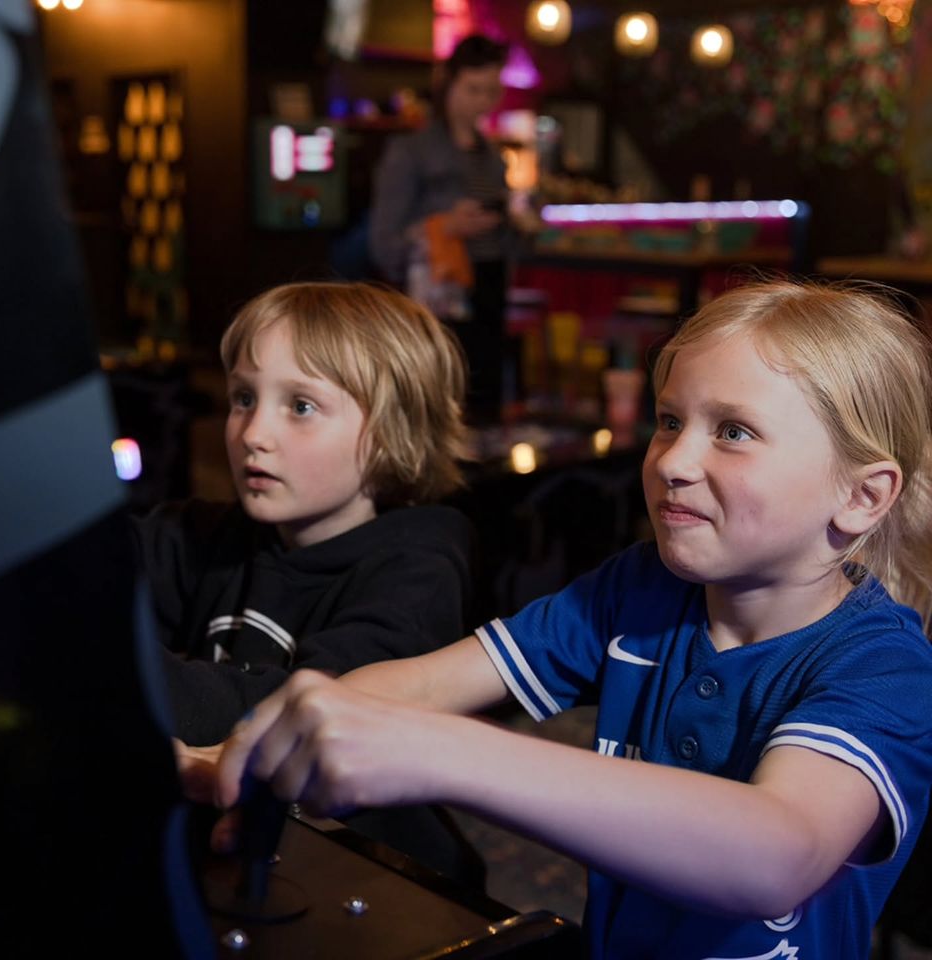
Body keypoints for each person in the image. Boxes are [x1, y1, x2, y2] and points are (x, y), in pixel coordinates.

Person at [212, 279, 932, 959]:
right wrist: (248, 747)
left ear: (863, 497)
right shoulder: (637, 589)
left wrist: (438, 753)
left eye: (734, 432)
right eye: (671, 421)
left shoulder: (882, 665)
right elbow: (425, 686)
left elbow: (778, 854)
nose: (672, 461)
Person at [133, 280, 485, 883]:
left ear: (392, 433)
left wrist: (119, 671)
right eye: (244, 398)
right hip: (247, 849)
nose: (252, 434)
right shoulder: (201, 532)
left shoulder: (418, 571)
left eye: (299, 406)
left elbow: (301, 713)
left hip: (378, 876)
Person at [368, 33, 511, 423]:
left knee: (483, 407)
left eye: (490, 91)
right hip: (437, 293)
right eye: (472, 89)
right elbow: (383, 244)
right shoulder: (411, 152)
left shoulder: (492, 155)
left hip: (488, 287)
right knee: (437, 409)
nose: (481, 101)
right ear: (448, 83)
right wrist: (443, 226)